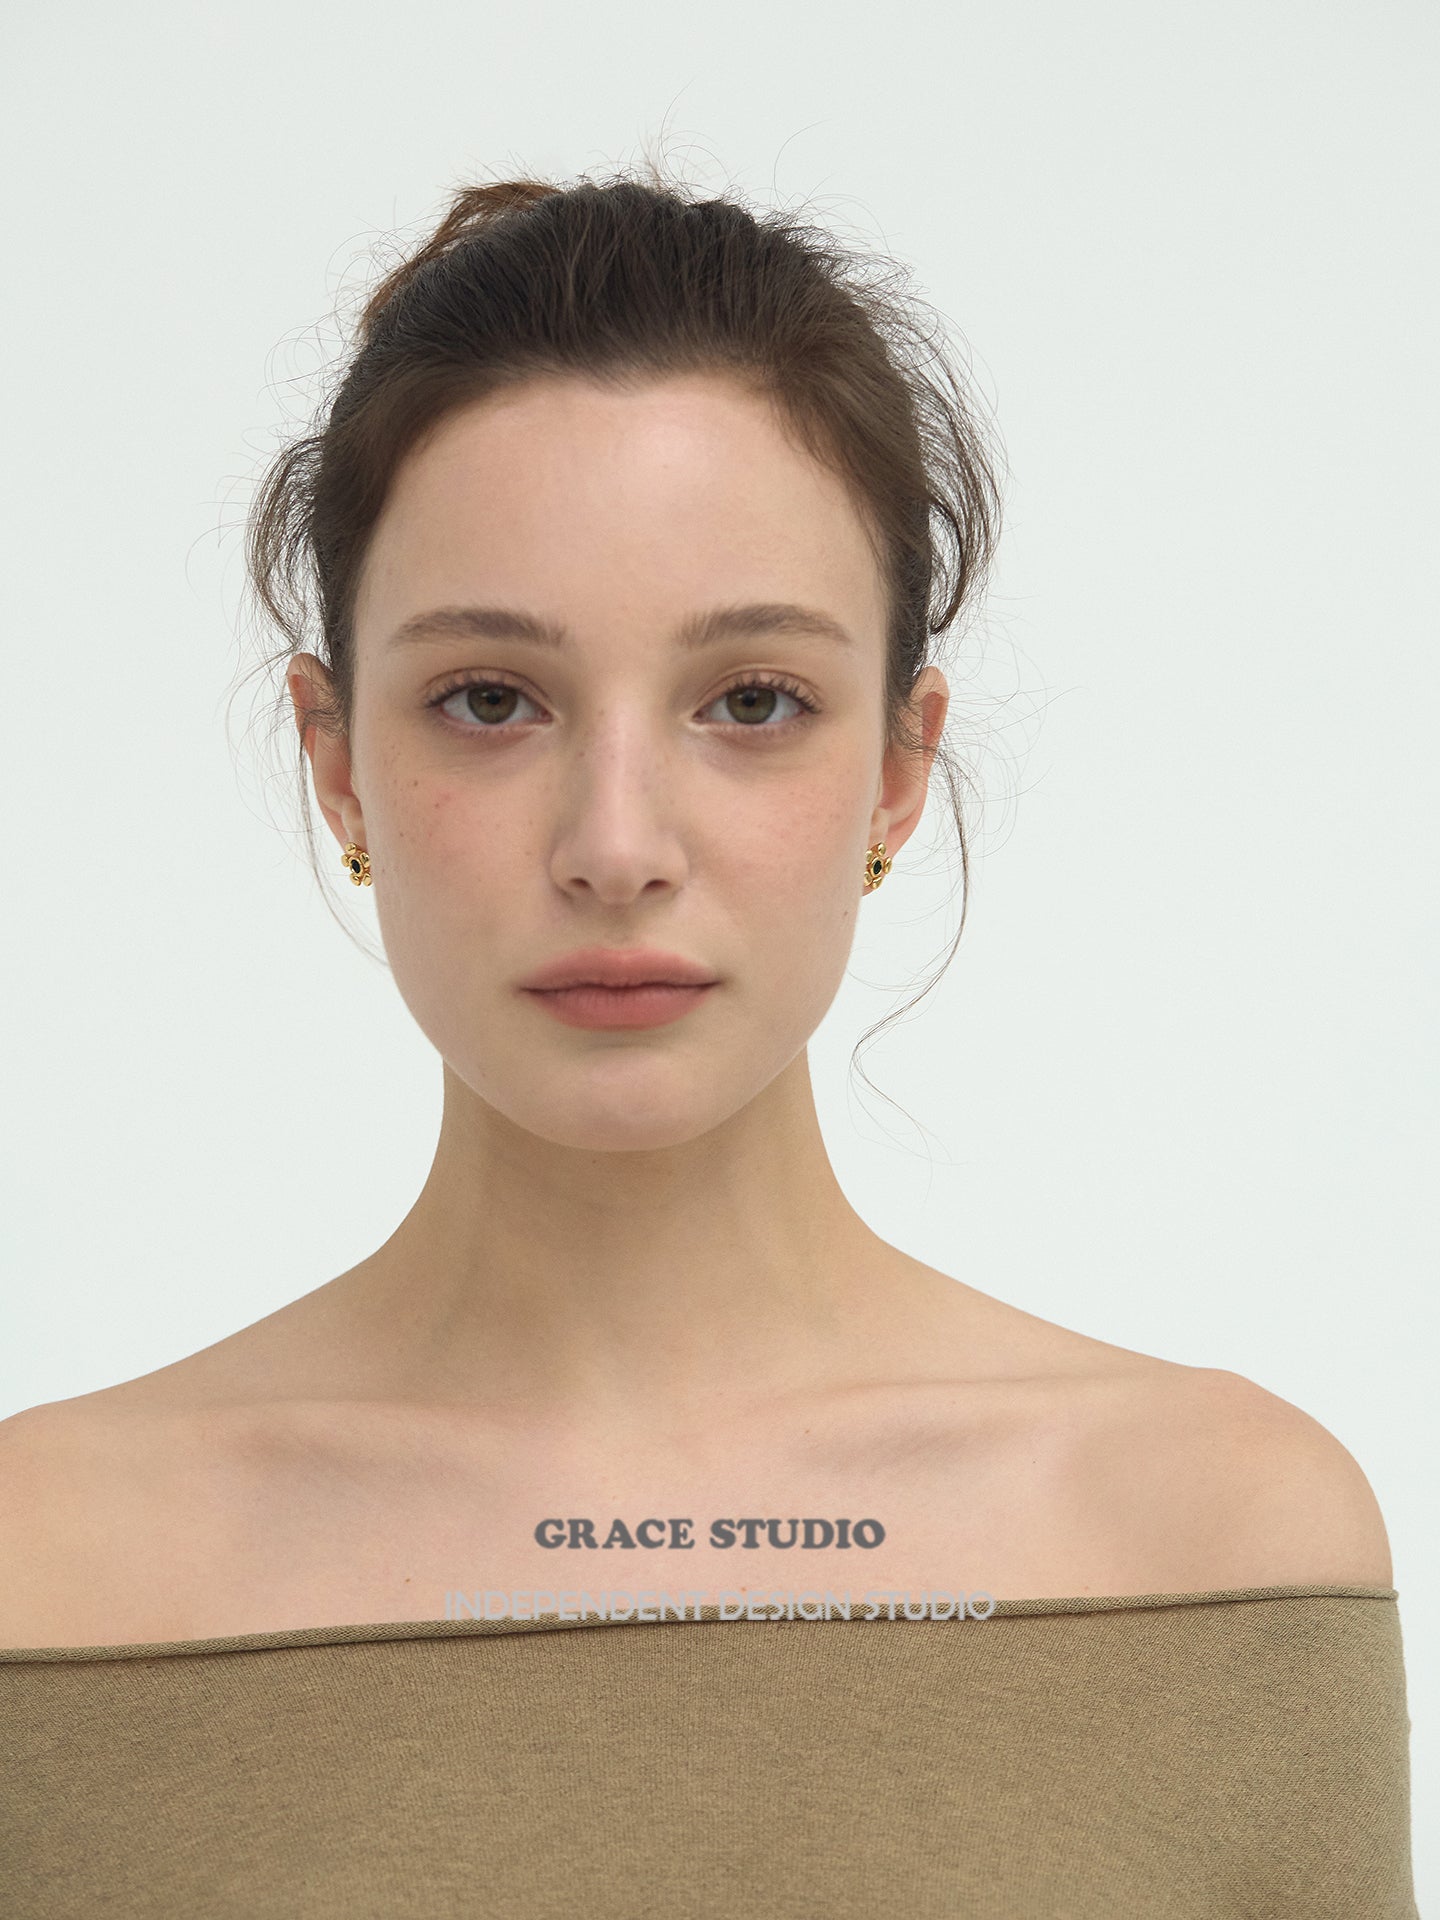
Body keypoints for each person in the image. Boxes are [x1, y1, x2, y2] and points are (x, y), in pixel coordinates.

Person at [0, 163, 1417, 1916]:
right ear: (337, 760)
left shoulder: (1215, 1547)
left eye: (752, 700)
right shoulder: (47, 1579)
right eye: (490, 700)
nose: (617, 845)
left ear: (898, 767)